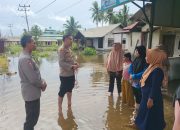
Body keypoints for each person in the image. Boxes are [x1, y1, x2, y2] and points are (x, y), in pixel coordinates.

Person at [18, 34, 47, 130]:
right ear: (28, 44)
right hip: (31, 94)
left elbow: (35, 74)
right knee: (31, 120)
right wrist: (42, 84)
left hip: (32, 93)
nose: (35, 44)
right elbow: (33, 79)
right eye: (34, 42)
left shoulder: (27, 57)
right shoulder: (25, 59)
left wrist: (42, 80)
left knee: (32, 119)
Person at [135, 48, 167, 130]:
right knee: (144, 114)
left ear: (154, 57)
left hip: (151, 98)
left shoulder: (157, 70)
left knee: (150, 118)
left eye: (148, 56)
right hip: (146, 97)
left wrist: (151, 98)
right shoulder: (152, 66)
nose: (146, 57)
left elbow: (155, 86)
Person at [58, 34, 79, 115]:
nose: (71, 41)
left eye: (72, 39)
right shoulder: (61, 50)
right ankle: (59, 108)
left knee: (70, 89)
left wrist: (75, 63)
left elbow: (70, 60)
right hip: (64, 75)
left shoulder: (69, 49)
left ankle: (69, 105)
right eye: (70, 39)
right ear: (65, 39)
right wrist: (72, 66)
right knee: (62, 91)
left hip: (71, 74)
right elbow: (61, 63)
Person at [128, 45, 148, 118]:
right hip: (134, 82)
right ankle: (136, 110)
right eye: (135, 51)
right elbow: (131, 67)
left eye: (136, 51)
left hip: (140, 83)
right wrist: (131, 74)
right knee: (136, 96)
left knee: (140, 97)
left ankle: (140, 113)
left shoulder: (145, 60)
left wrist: (134, 76)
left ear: (140, 51)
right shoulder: (136, 59)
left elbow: (145, 72)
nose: (135, 52)